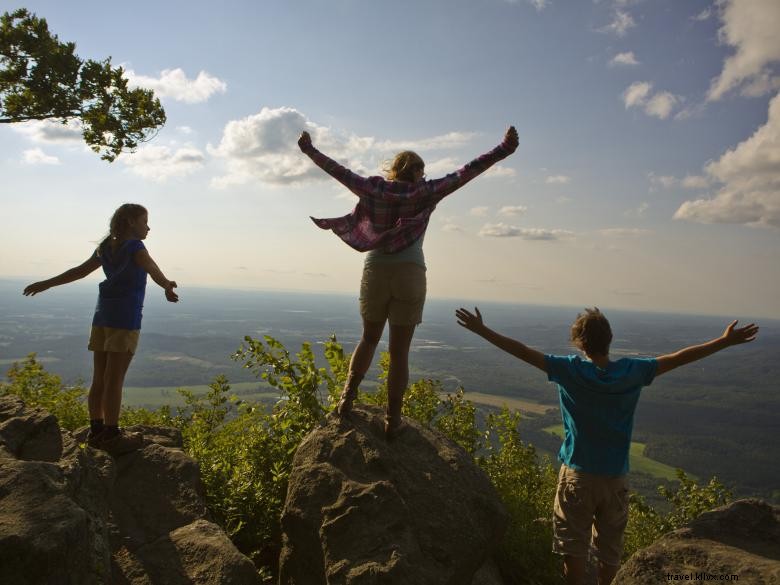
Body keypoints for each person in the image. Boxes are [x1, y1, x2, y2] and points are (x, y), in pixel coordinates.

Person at [455, 306, 758, 585]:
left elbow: (521, 351)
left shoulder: (569, 370)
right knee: (609, 556)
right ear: (609, 340)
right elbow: (679, 357)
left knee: (573, 554)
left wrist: (483, 330)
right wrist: (723, 341)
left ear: (579, 343)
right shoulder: (632, 372)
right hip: (615, 479)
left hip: (578, 476)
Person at [298, 126, 518, 439]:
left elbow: (339, 171)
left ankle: (346, 399)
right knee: (400, 352)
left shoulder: (373, 189)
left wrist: (309, 150)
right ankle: (392, 419)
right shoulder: (425, 192)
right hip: (410, 273)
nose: (424, 176)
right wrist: (503, 149)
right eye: (422, 170)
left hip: (376, 271)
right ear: (414, 171)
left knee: (369, 339)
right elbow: (466, 172)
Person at [23, 203, 179, 455]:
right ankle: (112, 433)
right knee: (115, 378)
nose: (148, 227)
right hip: (125, 320)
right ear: (130, 222)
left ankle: (96, 429)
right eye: (144, 221)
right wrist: (166, 285)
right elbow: (151, 268)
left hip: (102, 317)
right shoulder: (135, 247)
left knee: (100, 377)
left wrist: (47, 283)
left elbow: (79, 272)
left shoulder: (106, 247)